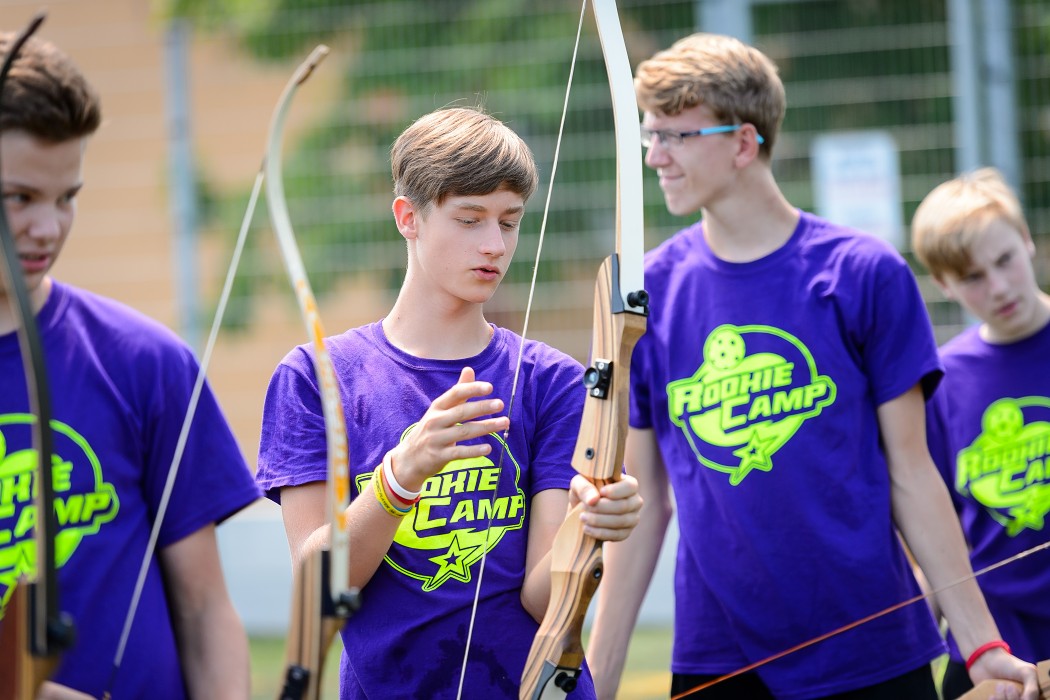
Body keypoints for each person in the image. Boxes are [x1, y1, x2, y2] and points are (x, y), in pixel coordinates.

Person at [584, 33, 1039, 700]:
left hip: (876, 652)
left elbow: (913, 474)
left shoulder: (861, 272)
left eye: (675, 137)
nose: (655, 156)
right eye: (650, 136)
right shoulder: (648, 293)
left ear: (744, 143)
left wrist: (982, 646)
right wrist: (595, 679)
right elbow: (644, 504)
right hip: (720, 658)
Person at [255, 105, 643, 699]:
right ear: (408, 217)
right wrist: (399, 478)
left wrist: (587, 529)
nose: (495, 244)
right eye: (470, 219)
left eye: (510, 221)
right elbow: (317, 587)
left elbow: (543, 598)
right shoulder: (314, 377)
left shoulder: (552, 379)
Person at [0, 31, 260, 698]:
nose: (48, 228)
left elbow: (205, 609)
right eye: (19, 198)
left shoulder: (143, 360)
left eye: (67, 198)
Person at [911, 168, 1050, 698]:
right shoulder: (940, 383)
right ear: (944, 284)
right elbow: (931, 530)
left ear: (1027, 241)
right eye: (972, 277)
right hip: (991, 649)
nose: (998, 286)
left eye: (1005, 260)